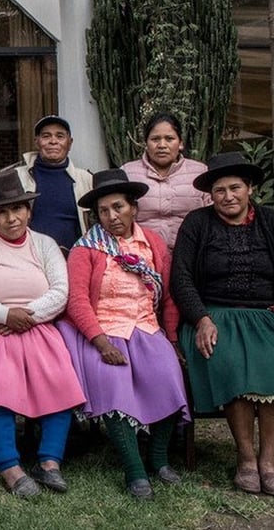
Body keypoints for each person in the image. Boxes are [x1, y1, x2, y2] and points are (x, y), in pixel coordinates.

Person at [0, 169, 85, 498]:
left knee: (59, 378)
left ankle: (49, 462)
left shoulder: (45, 244)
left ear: (28, 211)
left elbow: (60, 290)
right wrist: (3, 314)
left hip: (36, 325)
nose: (12, 218)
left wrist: (26, 317)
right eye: (2, 212)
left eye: (18, 209)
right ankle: (10, 467)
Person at [59, 169, 188, 499]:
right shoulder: (86, 248)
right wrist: (100, 343)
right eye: (103, 211)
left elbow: (170, 296)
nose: (111, 216)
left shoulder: (153, 244)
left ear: (134, 207)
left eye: (118, 207)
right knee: (112, 385)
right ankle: (134, 470)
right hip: (101, 330)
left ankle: (158, 458)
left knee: (168, 377)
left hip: (146, 326)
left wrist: (171, 340)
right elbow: (76, 301)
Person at [170, 152, 274, 495]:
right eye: (219, 190)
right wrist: (200, 318)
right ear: (209, 195)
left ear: (250, 189)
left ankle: (269, 461)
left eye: (235, 188)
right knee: (227, 360)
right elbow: (180, 278)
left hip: (266, 315)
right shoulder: (197, 224)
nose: (228, 196)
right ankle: (245, 458)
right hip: (214, 315)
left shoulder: (270, 221)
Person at [120, 113, 209, 249]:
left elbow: (213, 217)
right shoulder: (128, 173)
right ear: (146, 143)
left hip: (192, 253)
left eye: (169, 139)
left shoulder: (199, 172)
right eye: (155, 139)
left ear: (180, 143)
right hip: (141, 256)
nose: (162, 145)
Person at [12, 115, 94, 250]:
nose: (53, 141)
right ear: (36, 142)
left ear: (70, 142)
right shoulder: (17, 177)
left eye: (60, 136)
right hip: (29, 258)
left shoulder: (86, 179)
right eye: (46, 136)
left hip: (76, 259)